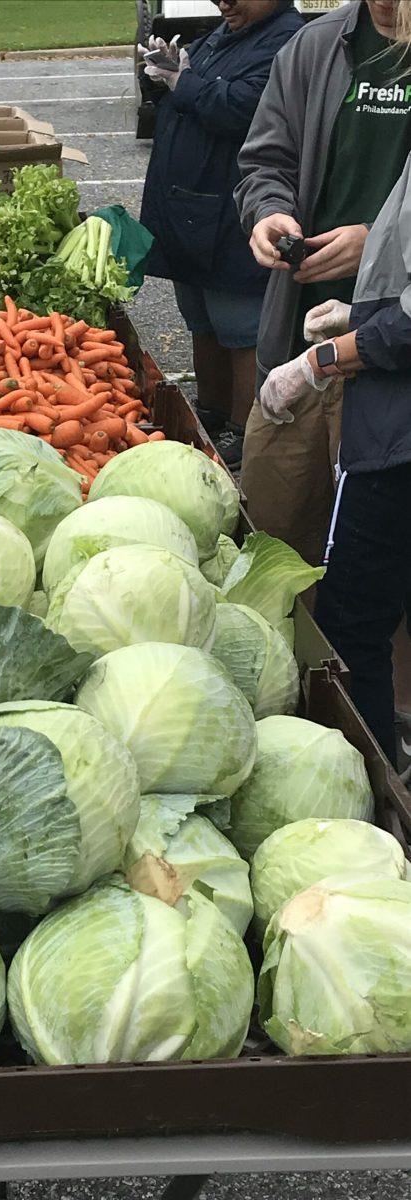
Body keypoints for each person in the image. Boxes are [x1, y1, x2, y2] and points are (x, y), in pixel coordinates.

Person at [235, 0, 411, 565]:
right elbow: (266, 158)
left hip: (393, 356)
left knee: (374, 565)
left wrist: (374, 241)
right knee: (277, 536)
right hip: (303, 339)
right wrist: (268, 212)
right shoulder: (317, 45)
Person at [258, 152, 410, 767]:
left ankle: (382, 786)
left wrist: (325, 360)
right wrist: (367, 314)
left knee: (352, 619)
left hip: (399, 437)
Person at [137, 0, 303, 466]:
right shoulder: (228, 33)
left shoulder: (285, 39)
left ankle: (243, 431)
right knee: (201, 317)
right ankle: (208, 413)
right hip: (193, 209)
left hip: (232, 212)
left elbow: (241, 107)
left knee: (240, 328)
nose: (222, 1)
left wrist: (184, 82)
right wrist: (171, 73)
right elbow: (199, 90)